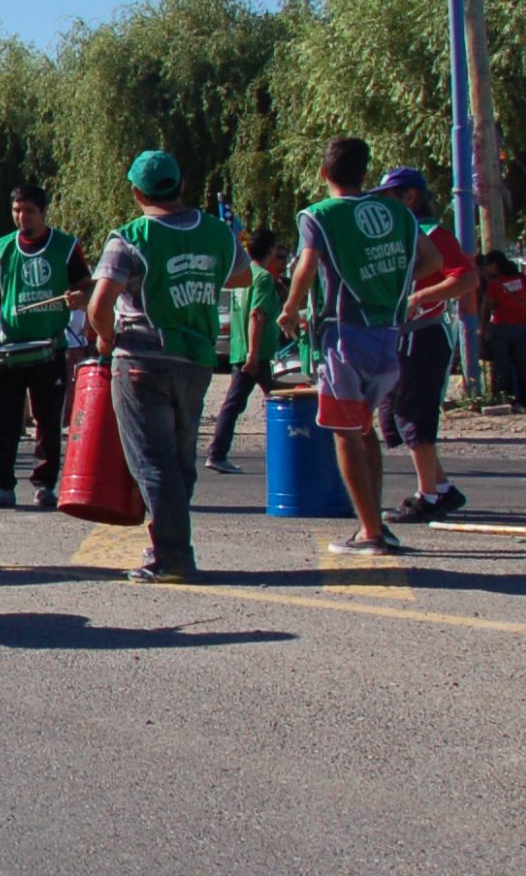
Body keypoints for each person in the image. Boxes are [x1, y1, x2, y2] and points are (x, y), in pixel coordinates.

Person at [86, 150, 246, 584]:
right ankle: (166, 540)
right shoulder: (217, 232)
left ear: (137, 191)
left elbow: (99, 305)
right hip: (196, 359)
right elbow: (243, 275)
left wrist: (106, 337)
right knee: (179, 462)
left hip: (142, 360)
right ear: (180, 185)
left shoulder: (131, 237)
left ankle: (173, 554)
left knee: (152, 462)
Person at [278, 137, 423, 557]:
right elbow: (428, 261)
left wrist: (290, 310)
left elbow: (307, 264)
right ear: (366, 173)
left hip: (344, 336)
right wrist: (388, 285)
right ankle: (373, 523)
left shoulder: (320, 216)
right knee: (365, 429)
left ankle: (370, 533)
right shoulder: (398, 213)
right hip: (387, 336)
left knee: (344, 432)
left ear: (325, 174)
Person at [0, 184, 91, 509]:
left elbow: (86, 286)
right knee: (2, 421)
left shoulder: (66, 247)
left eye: (28, 210)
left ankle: (44, 484)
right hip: (9, 350)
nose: (21, 217)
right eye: (16, 210)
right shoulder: (2, 248)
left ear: (43, 212)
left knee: (47, 421)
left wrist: (79, 298)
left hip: (50, 347)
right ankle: (0, 486)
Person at [370, 166, 477, 524]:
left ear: (409, 197)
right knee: (394, 416)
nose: (383, 207)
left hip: (424, 334)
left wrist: (419, 296)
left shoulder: (432, 233)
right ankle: (442, 487)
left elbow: (466, 278)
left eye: (388, 198)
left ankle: (427, 495)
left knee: (414, 413)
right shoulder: (404, 235)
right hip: (401, 336)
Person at [205, 230, 288, 474]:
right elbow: (256, 315)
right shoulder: (262, 278)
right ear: (271, 249)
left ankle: (218, 453)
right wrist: (253, 354)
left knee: (235, 403)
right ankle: (292, 448)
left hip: (241, 350)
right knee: (284, 399)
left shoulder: (242, 276)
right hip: (257, 354)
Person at [482, 252, 526, 413]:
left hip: (501, 328)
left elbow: (487, 308)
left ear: (494, 264)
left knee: (503, 368)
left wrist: (482, 329)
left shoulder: (494, 284)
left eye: (487, 265)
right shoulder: (522, 279)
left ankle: (507, 401)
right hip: (522, 327)